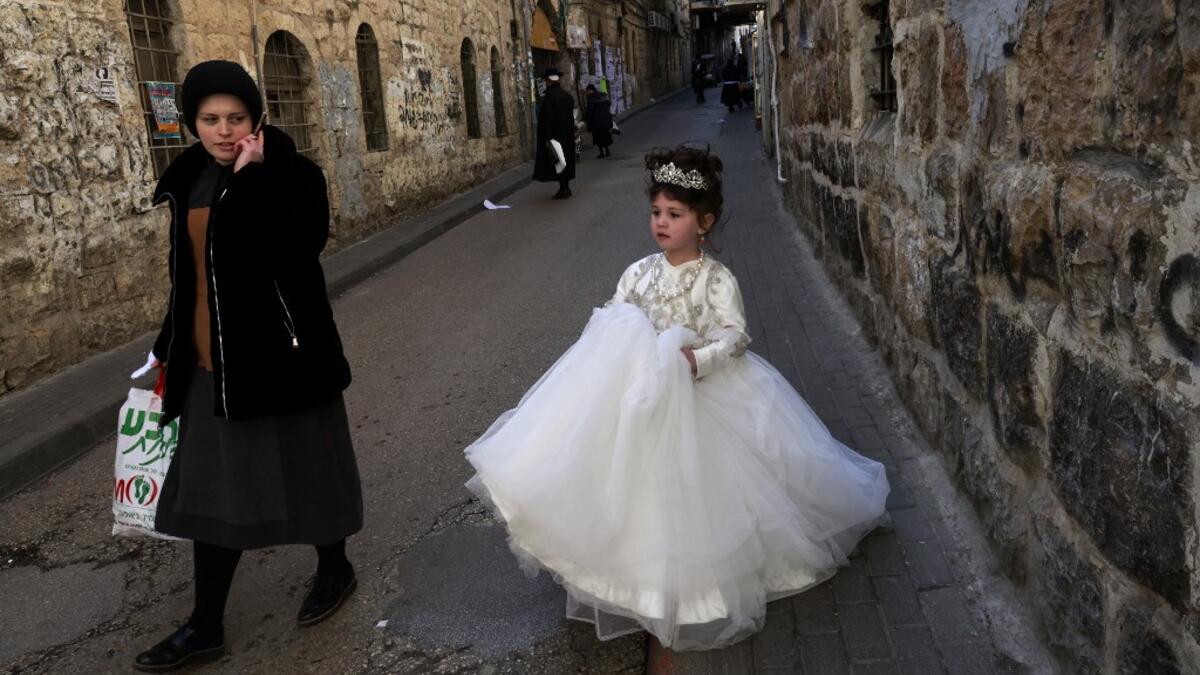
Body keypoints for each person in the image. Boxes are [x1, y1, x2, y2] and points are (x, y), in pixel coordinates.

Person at [464, 146, 890, 650]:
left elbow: (735, 336)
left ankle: (693, 582)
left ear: (703, 223)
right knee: (627, 479)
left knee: (689, 489)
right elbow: (613, 318)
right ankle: (624, 571)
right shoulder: (638, 272)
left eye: (675, 214)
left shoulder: (716, 280)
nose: (661, 223)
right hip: (640, 396)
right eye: (656, 213)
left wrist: (697, 360)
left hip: (704, 396)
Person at [133, 60, 363, 672]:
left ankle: (335, 568)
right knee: (215, 492)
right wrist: (166, 343)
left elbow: (301, 243)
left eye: (236, 117)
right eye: (210, 119)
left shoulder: (291, 173)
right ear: (192, 123)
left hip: (285, 356)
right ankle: (205, 625)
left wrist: (257, 177)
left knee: (309, 469)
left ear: (256, 118)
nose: (224, 130)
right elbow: (191, 276)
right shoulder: (187, 179)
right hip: (214, 362)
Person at [533, 67, 576, 199]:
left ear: (548, 81)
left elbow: (547, 119)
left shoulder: (549, 98)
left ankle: (564, 189)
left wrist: (547, 136)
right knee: (565, 160)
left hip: (555, 137)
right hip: (567, 136)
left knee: (557, 161)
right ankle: (565, 187)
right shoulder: (567, 96)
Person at [584, 84, 614, 159]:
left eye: (587, 91)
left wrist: (585, 119)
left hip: (596, 123)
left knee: (598, 138)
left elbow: (590, 111)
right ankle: (607, 151)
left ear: (590, 90)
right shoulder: (602, 95)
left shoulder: (591, 98)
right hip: (605, 121)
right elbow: (609, 104)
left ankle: (602, 153)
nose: (586, 92)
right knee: (605, 136)